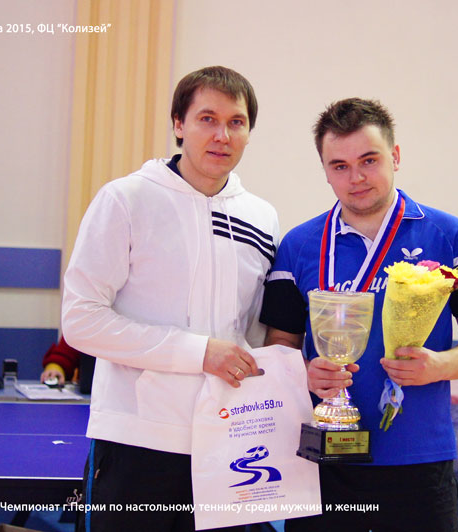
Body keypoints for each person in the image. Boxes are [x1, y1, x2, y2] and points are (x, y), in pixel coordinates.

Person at [260, 98, 458, 532]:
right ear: (325, 170)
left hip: (418, 457)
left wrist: (439, 365)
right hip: (325, 456)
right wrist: (303, 373)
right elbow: (279, 344)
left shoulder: (450, 235)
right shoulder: (297, 246)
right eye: (339, 166)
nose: (356, 178)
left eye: (369, 160)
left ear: (396, 156)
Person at [62, 66, 279, 532]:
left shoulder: (262, 217)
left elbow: (254, 333)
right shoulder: (125, 199)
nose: (222, 135)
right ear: (179, 125)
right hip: (138, 441)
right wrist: (198, 352)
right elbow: (81, 320)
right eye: (207, 119)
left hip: (230, 443)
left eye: (236, 122)